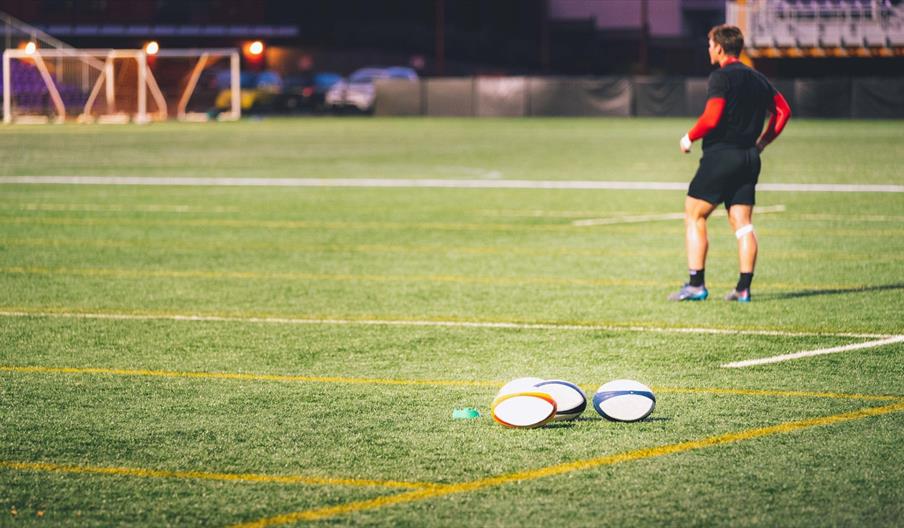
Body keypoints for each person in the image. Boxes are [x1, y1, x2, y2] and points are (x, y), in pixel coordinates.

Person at [669, 24, 791, 303]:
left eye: (710, 45)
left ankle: (696, 284)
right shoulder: (758, 78)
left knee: (694, 214)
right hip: (749, 156)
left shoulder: (721, 77)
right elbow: (784, 111)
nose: (709, 49)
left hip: (722, 155)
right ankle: (743, 289)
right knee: (743, 223)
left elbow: (712, 118)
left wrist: (688, 137)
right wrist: (763, 142)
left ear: (720, 48)